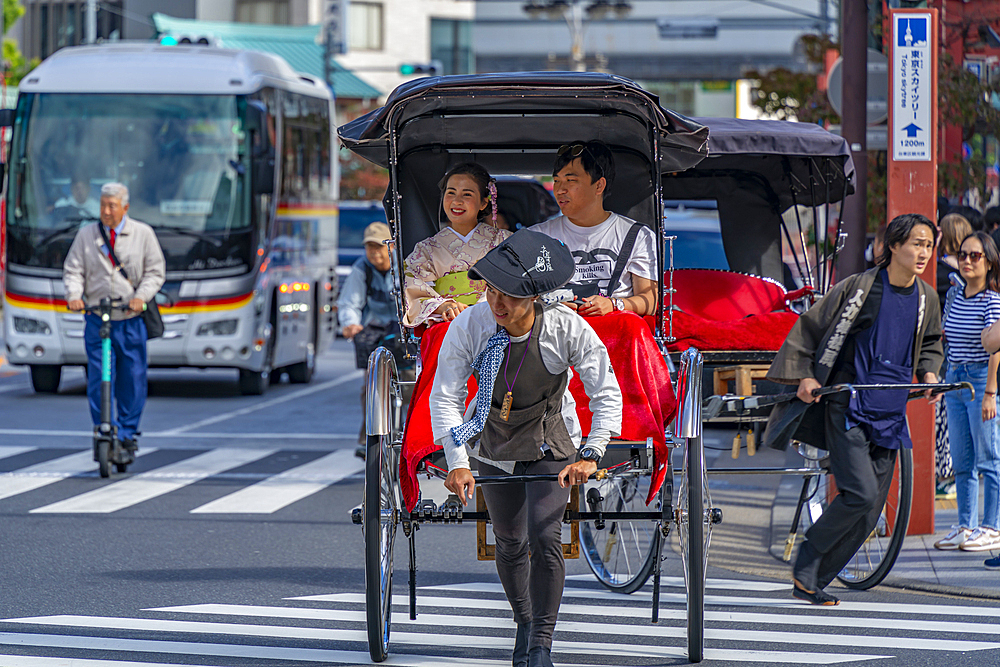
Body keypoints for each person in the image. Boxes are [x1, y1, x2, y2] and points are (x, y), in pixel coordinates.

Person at [432, 229, 622, 667]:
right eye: (493, 290)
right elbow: (446, 394)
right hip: (491, 434)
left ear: (534, 298)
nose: (498, 304)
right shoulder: (472, 324)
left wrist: (591, 454)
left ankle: (541, 642)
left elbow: (605, 392)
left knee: (544, 534)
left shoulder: (565, 327)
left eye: (511, 297)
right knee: (510, 540)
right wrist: (458, 462)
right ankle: (523, 620)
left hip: (549, 435)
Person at [764, 213, 944, 606]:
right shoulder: (859, 288)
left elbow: (931, 342)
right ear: (892, 246)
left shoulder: (926, 298)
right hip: (846, 403)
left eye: (928, 245)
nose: (923, 253)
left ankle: (812, 580)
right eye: (916, 243)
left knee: (869, 511)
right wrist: (805, 377)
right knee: (860, 494)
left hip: (890, 409)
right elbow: (810, 329)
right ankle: (808, 556)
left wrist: (930, 373)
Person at [64, 182, 165, 452]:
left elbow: (155, 272)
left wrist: (140, 297)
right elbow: (73, 270)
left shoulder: (143, 234)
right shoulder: (87, 235)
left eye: (112, 206)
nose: (106, 211)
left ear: (125, 208)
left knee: (132, 377)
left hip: (129, 318)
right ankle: (103, 427)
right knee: (99, 377)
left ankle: (128, 432)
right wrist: (75, 295)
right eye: (103, 205)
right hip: (98, 318)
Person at [532, 140, 657, 317]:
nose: (560, 190)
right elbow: (520, 297)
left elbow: (650, 301)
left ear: (599, 185)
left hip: (615, 337)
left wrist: (614, 304)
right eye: (557, 181)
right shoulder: (537, 236)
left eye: (570, 180)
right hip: (556, 337)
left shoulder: (637, 235)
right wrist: (548, 305)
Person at [933, 232, 1000, 552]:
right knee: (962, 460)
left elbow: (995, 349)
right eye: (963, 255)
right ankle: (965, 524)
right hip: (954, 380)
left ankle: (992, 526)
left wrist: (990, 392)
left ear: (989, 262)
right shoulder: (955, 295)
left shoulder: (992, 299)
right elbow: (948, 340)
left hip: (979, 381)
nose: (968, 261)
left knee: (989, 458)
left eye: (976, 256)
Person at [337, 221, 414, 454]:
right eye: (369, 247)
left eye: (379, 247)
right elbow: (350, 300)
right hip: (376, 328)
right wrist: (350, 324)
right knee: (371, 386)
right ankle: (368, 439)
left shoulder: (405, 265)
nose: (374, 253)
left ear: (390, 247)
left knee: (411, 380)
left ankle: (412, 435)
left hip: (404, 327)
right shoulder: (362, 268)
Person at [402, 163, 510, 327]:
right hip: (447, 325)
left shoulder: (505, 241)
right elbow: (414, 292)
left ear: (483, 203)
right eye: (451, 193)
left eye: (467, 194)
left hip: (496, 320)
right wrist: (443, 306)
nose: (457, 201)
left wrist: (484, 306)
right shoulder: (426, 249)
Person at [933, 213, 972, 499]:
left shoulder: (938, 270)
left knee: (944, 412)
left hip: (945, 349)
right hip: (971, 352)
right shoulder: (973, 274)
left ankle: (945, 472)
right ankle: (951, 473)